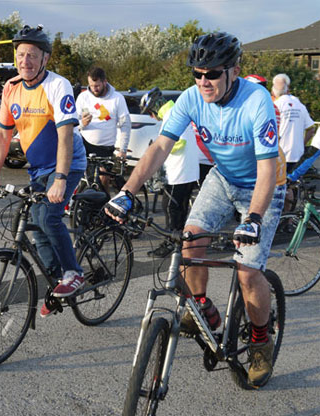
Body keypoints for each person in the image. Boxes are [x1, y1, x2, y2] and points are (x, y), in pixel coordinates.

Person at [106, 32, 281, 388]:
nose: (204, 81)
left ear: (234, 70)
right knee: (190, 243)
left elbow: (266, 171)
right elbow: (158, 148)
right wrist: (126, 192)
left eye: (212, 74)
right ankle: (202, 307)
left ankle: (261, 340)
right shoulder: (191, 98)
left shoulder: (256, 100)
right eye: (197, 74)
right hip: (223, 178)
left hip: (264, 186)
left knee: (247, 272)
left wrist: (254, 219)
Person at [0, 25, 88, 313]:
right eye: (20, 54)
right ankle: (57, 284)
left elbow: (65, 134)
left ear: (45, 59)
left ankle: (73, 272)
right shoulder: (11, 88)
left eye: (32, 55)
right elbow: (3, 134)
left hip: (68, 163)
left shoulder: (57, 85)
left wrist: (61, 179)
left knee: (50, 217)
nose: (25, 61)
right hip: (38, 167)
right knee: (35, 224)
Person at [143, 98, 213, 258]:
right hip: (187, 169)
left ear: (154, 109)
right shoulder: (176, 111)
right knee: (180, 207)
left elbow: (178, 142)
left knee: (170, 207)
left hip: (178, 171)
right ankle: (180, 243)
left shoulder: (170, 115)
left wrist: (157, 147)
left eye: (150, 113)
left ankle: (170, 243)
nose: (152, 117)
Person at [271, 73, 313, 173]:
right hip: (298, 154)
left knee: (278, 185)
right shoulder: (299, 105)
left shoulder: (275, 105)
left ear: (273, 90)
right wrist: (302, 144)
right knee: (291, 182)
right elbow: (311, 130)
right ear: (287, 88)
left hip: (280, 154)